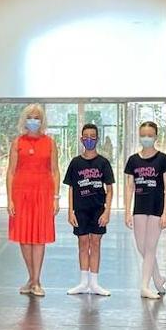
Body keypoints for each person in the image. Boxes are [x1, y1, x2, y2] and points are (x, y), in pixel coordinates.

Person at [6, 104, 58, 297]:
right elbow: (11, 172)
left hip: (43, 194)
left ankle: (37, 281)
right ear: (24, 119)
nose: (33, 120)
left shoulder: (50, 142)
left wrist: (56, 197)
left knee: (39, 237)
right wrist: (10, 199)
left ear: (42, 120)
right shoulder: (17, 142)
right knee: (24, 237)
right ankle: (32, 278)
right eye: (30, 117)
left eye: (37, 117)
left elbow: (55, 170)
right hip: (21, 194)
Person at [63, 123, 114, 296]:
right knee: (83, 243)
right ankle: (83, 282)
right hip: (81, 210)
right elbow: (70, 188)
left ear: (97, 139)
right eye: (86, 136)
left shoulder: (103, 163)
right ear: (81, 139)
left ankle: (94, 283)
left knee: (96, 243)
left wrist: (107, 211)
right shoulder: (75, 163)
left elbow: (110, 189)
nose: (89, 139)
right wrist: (70, 211)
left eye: (93, 136)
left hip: (98, 209)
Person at [125, 121, 166, 299]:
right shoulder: (133, 160)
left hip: (156, 207)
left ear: (155, 137)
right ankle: (158, 278)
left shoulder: (162, 159)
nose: (146, 138)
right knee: (141, 246)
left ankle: (144, 286)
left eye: (150, 135)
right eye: (143, 135)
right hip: (139, 207)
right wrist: (127, 211)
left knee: (151, 247)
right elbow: (130, 187)